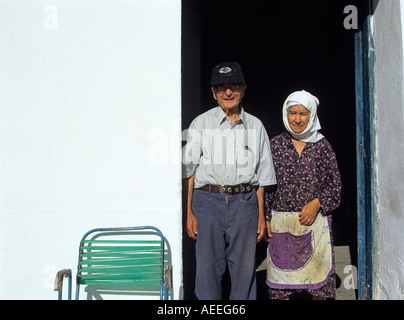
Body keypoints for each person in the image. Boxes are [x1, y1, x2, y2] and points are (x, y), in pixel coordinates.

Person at [183, 61, 277, 300]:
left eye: (233, 86)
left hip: (245, 203)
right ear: (213, 93)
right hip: (207, 201)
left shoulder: (255, 126)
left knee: (244, 271)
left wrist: (260, 217)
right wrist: (189, 213)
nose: (228, 92)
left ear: (243, 89)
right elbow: (189, 172)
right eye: (221, 87)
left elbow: (263, 177)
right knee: (207, 270)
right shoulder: (200, 124)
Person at [264, 90, 342, 300]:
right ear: (285, 114)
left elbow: (335, 187)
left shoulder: (322, 147)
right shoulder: (275, 146)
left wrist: (317, 203)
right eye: (292, 113)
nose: (297, 119)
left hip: (315, 225)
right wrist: (266, 219)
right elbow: (266, 187)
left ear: (312, 115)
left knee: (319, 287)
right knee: (281, 288)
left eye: (303, 114)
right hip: (282, 226)